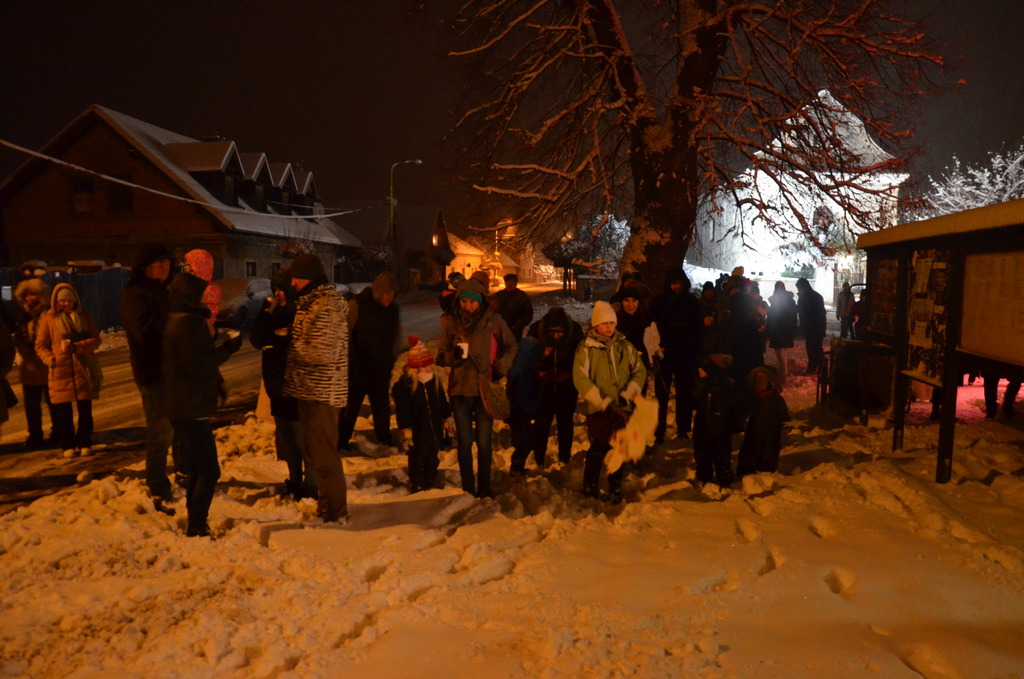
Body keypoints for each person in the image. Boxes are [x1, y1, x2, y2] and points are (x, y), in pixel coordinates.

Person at [163, 271, 242, 537]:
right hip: (190, 405)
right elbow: (200, 364)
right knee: (209, 470)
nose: (204, 300)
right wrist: (229, 348)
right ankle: (197, 524)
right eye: (200, 295)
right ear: (189, 297)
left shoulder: (177, 319)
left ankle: (195, 518)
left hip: (184, 403)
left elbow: (194, 360)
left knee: (198, 466)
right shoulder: (188, 323)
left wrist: (216, 382)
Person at [283, 254, 351, 523]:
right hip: (311, 389)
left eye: (296, 277)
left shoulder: (326, 305)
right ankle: (327, 507)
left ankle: (336, 512)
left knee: (324, 456)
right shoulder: (312, 302)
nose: (292, 283)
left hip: (323, 392)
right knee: (316, 454)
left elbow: (322, 352)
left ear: (308, 277)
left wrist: (289, 345)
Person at [437, 276, 517, 498]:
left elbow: (511, 345)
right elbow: (441, 355)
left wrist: (500, 368)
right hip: (460, 389)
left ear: (480, 300)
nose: (468, 306)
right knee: (464, 442)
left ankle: (484, 486)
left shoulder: (494, 321)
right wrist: (452, 356)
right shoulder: (452, 323)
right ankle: (467, 488)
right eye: (464, 301)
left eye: (472, 302)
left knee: (483, 441)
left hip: (484, 389)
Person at [250, 269, 316, 500]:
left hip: (295, 386)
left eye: (281, 289)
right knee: (287, 440)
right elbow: (257, 340)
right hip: (276, 385)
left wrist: (279, 341)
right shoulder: (273, 312)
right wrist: (264, 316)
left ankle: (312, 484)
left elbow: (302, 345)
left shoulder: (300, 311)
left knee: (302, 439)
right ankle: (295, 480)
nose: (277, 294)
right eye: (274, 289)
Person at [120, 242, 177, 510]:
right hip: (153, 371)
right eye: (159, 262)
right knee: (159, 431)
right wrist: (177, 330)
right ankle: (157, 485)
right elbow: (143, 330)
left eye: (167, 261)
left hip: (173, 369)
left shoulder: (165, 290)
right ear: (145, 267)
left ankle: (181, 472)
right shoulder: (135, 293)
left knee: (176, 427)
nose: (165, 266)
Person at [573, 300, 647, 501]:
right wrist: (600, 400)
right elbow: (580, 378)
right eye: (604, 323)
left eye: (611, 323)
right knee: (598, 446)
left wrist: (628, 393)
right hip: (598, 408)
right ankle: (590, 485)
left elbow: (639, 371)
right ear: (596, 325)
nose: (608, 327)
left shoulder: (625, 346)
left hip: (621, 406)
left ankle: (615, 484)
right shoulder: (586, 348)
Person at [35, 283, 102, 458]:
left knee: (85, 410)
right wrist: (50, 359)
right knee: (63, 413)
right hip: (60, 371)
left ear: (75, 301)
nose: (66, 303)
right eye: (62, 300)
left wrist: (78, 347)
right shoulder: (49, 320)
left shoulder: (84, 318)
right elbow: (40, 345)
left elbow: (96, 340)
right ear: (56, 302)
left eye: (69, 300)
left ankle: (85, 442)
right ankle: (68, 445)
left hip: (83, 369)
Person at [338, 272, 400, 450]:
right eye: (386, 293)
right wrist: (350, 361)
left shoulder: (392, 310)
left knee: (381, 407)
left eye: (392, 294)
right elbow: (344, 334)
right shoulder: (357, 305)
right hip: (358, 367)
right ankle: (341, 441)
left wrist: (391, 359)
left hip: (380, 368)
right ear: (378, 292)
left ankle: (384, 440)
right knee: (350, 407)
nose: (389, 297)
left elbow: (395, 337)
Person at [392, 335, 452, 493]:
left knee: (432, 458)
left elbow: (442, 402)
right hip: (417, 431)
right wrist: (405, 427)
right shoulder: (406, 386)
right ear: (415, 368)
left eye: (429, 366)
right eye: (424, 367)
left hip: (433, 429)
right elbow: (403, 409)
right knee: (417, 458)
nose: (428, 369)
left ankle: (430, 480)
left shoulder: (434, 382)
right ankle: (417, 483)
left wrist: (447, 417)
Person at [649, 269, 702, 441]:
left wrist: (694, 348)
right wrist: (657, 345)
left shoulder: (691, 302)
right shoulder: (659, 301)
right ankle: (659, 429)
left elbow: (698, 328)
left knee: (684, 392)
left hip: (685, 352)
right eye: (674, 283)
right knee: (662, 393)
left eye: (680, 283)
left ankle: (683, 427)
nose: (677, 287)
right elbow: (651, 326)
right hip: (664, 352)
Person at [527, 307, 585, 465]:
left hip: (566, 385)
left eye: (559, 332)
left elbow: (581, 358)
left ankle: (564, 457)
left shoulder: (575, 331)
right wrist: (539, 365)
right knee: (542, 422)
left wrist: (570, 374)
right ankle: (539, 457)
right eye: (552, 332)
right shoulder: (535, 330)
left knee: (565, 422)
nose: (556, 336)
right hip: (543, 385)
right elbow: (526, 358)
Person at [13, 277, 55, 450]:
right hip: (30, 367)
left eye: (34, 294)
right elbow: (19, 339)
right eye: (27, 294)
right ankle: (35, 436)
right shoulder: (23, 315)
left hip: (47, 364)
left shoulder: (49, 314)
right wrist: (26, 355)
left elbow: (53, 336)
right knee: (31, 405)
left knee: (54, 402)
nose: (31, 298)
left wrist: (44, 355)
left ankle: (59, 432)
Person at [692, 353, 737, 488]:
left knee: (720, 450)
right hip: (703, 421)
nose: (699, 370)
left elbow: (731, 406)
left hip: (719, 424)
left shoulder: (723, 385)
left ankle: (724, 474)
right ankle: (704, 474)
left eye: (703, 368)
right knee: (702, 449)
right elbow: (693, 401)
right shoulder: (702, 384)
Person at [736, 366, 790, 478]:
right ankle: (746, 471)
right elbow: (743, 411)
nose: (758, 385)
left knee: (768, 452)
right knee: (750, 450)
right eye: (756, 382)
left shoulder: (775, 399)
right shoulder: (752, 398)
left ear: (769, 383)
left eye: (761, 382)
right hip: (753, 431)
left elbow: (783, 413)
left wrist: (786, 425)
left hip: (771, 432)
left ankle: (766, 471)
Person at [507, 335, 545, 476]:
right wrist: (535, 409)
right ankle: (516, 466)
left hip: (515, 413)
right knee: (525, 442)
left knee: (523, 440)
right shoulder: (525, 374)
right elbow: (523, 396)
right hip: (521, 414)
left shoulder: (516, 369)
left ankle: (517, 466)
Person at [182, 248, 221, 336]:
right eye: (186, 268)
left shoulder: (209, 291)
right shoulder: (186, 286)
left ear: (201, 269)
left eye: (192, 270)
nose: (188, 273)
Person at [766, 281, 798, 385]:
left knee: (781, 356)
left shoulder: (775, 301)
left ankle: (784, 376)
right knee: (783, 354)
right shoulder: (789, 300)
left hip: (778, 330)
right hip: (787, 330)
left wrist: (769, 330)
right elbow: (794, 316)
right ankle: (781, 375)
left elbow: (771, 317)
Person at [795, 277, 827, 375]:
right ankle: (819, 367)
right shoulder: (805, 296)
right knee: (813, 348)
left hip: (815, 328)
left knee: (815, 349)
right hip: (809, 328)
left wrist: (821, 330)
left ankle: (817, 367)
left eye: (799, 287)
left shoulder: (813, 297)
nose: (798, 289)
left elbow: (820, 314)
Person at [491, 273, 533, 339]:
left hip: (515, 329)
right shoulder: (498, 295)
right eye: (507, 282)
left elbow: (528, 312)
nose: (510, 285)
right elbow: (491, 310)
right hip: (500, 328)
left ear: (516, 283)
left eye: (512, 283)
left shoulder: (522, 296)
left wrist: (519, 324)